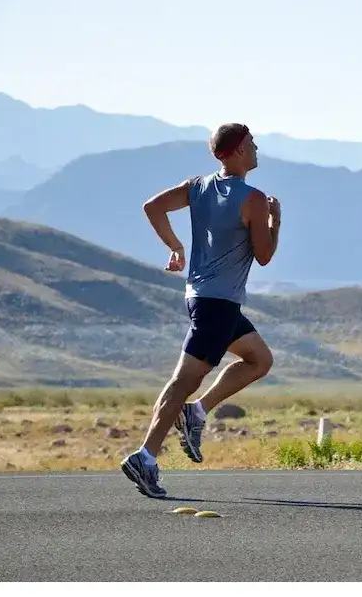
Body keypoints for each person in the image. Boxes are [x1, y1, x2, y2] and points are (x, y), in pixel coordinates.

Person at [120, 123, 282, 498]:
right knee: (182, 381)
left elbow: (153, 206)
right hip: (218, 305)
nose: (257, 149)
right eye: (253, 144)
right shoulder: (254, 200)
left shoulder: (198, 186)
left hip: (203, 298)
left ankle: (197, 412)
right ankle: (145, 457)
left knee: (259, 360)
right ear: (239, 150)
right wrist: (276, 221)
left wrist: (175, 246)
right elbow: (265, 255)